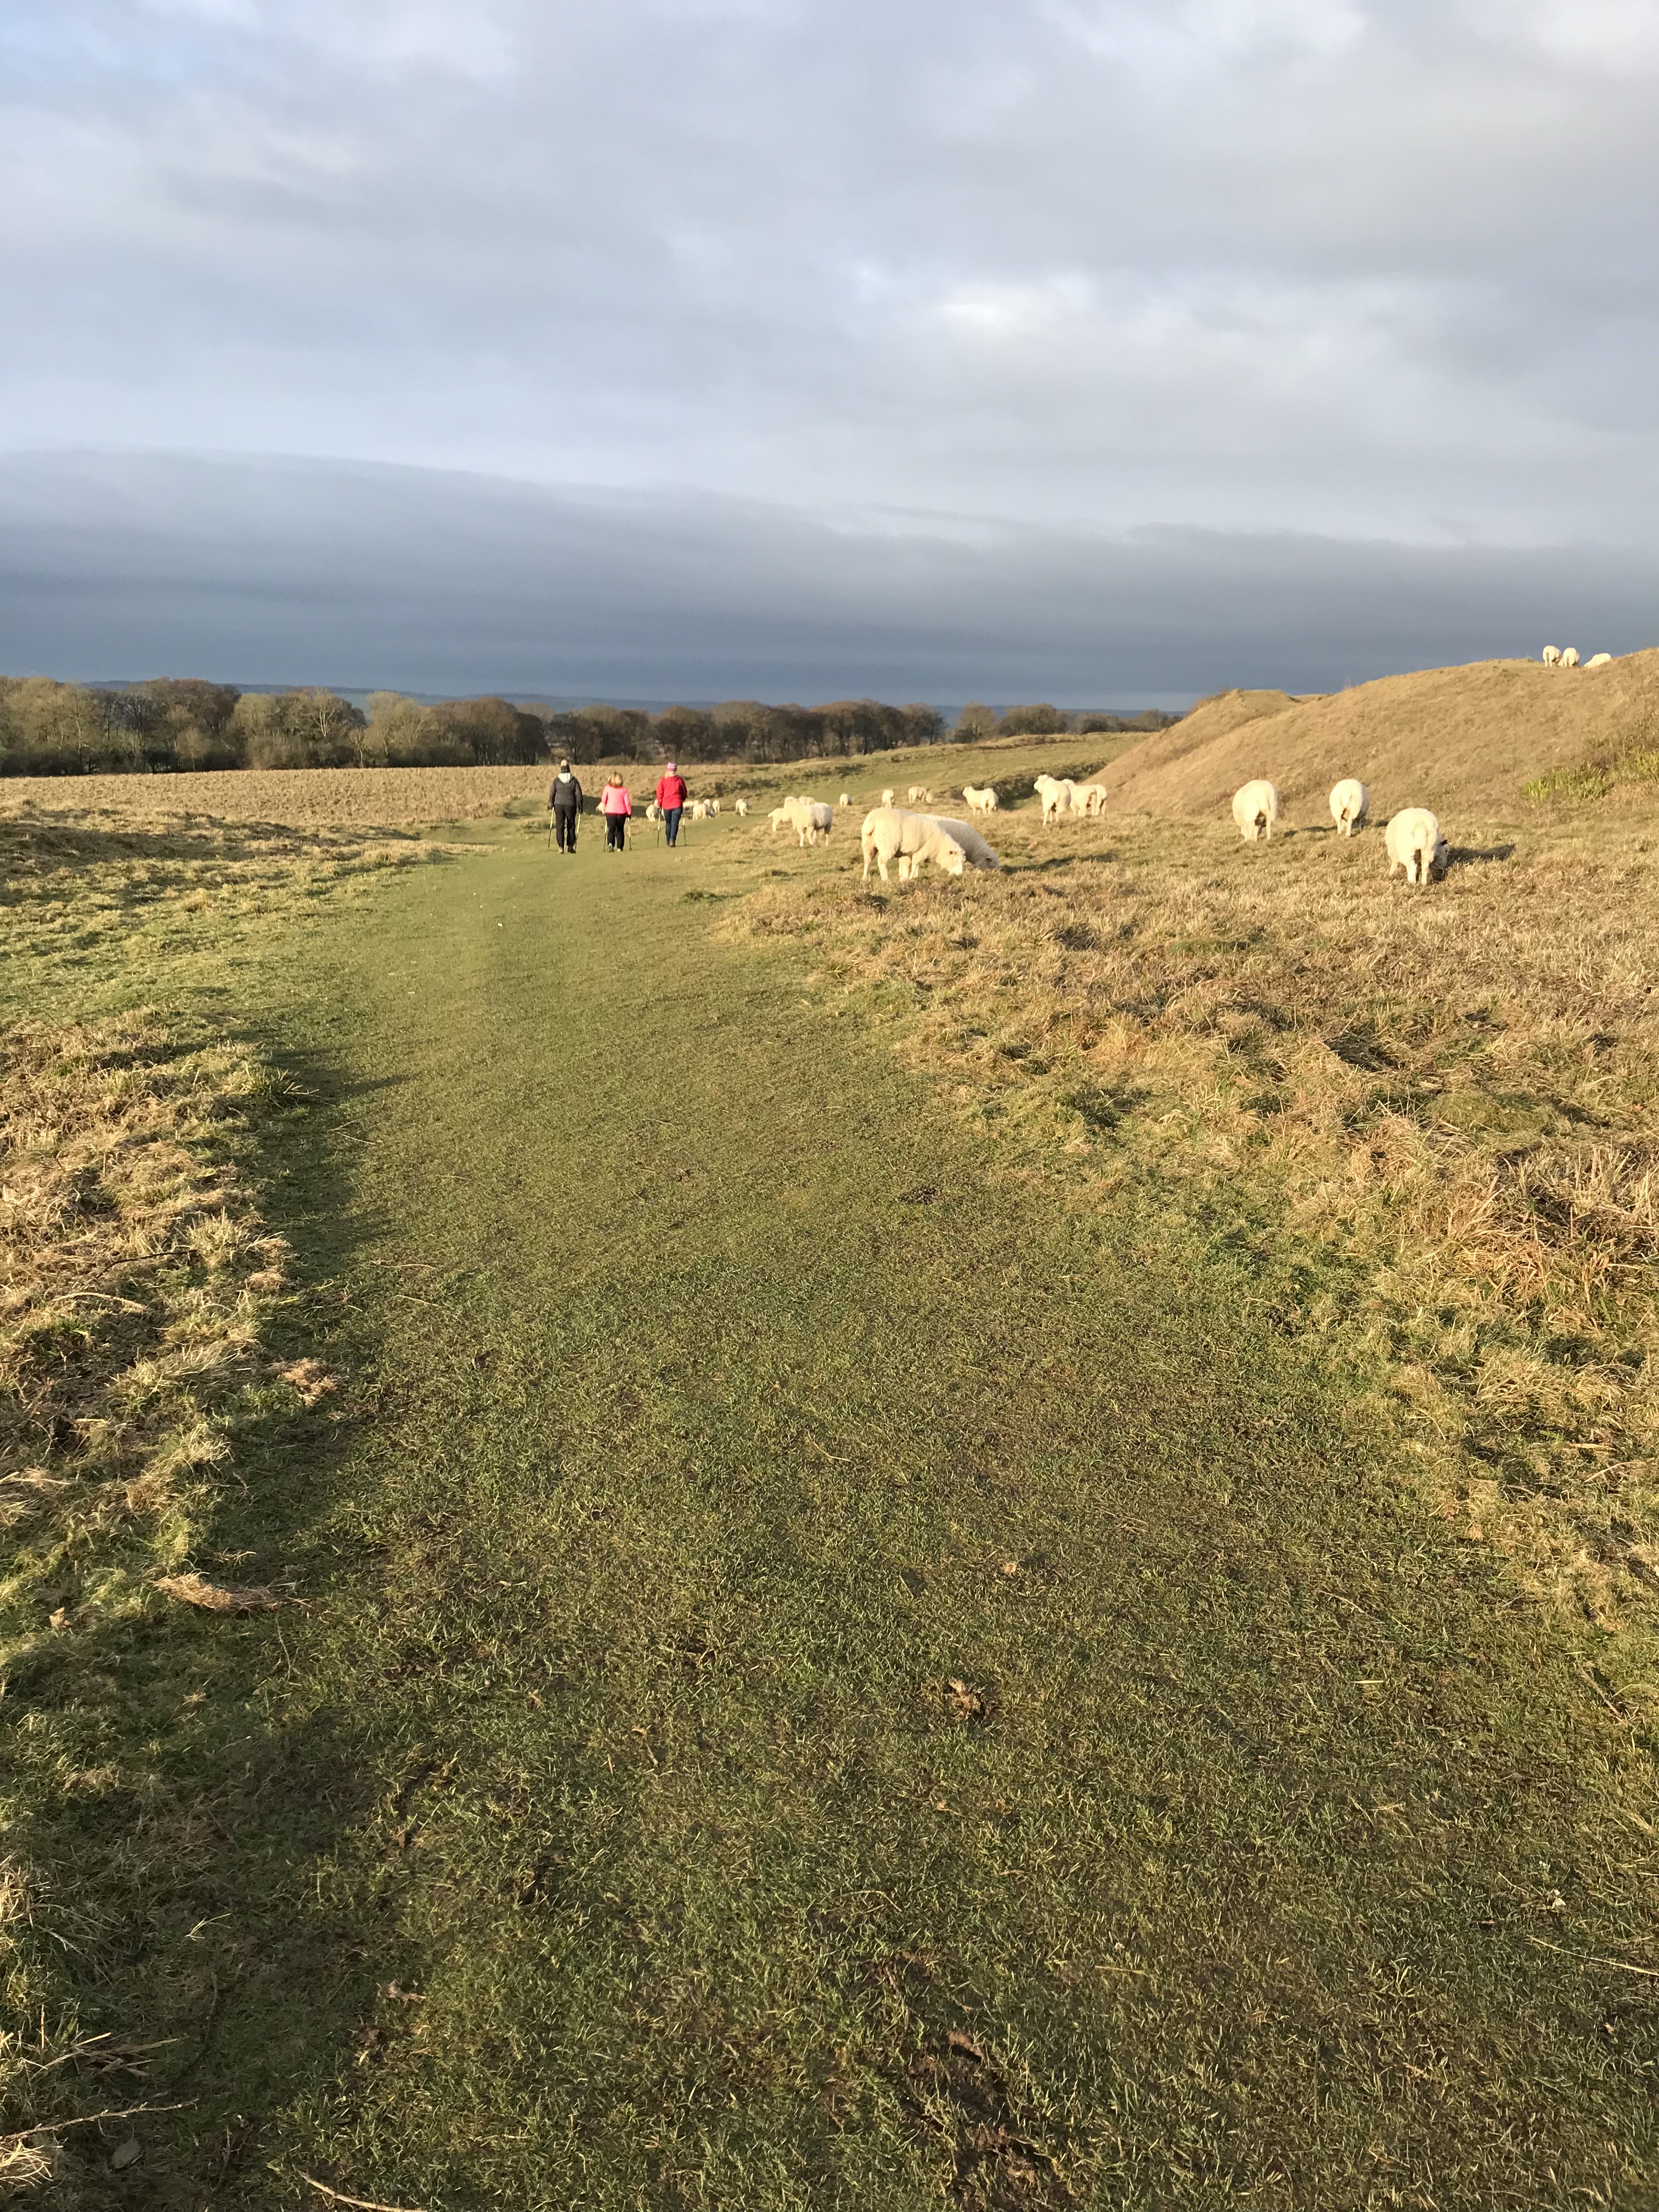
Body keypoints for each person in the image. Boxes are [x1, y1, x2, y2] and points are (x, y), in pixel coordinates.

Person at [548, 758, 583, 854]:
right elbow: (579, 795)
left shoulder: (556, 780)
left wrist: (551, 803)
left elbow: (552, 793)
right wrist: (580, 806)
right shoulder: (574, 780)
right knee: (571, 825)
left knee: (560, 826)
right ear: (569, 768)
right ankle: (571, 846)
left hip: (558, 805)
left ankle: (561, 847)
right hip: (571, 805)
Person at [656, 760, 689, 847]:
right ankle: (672, 840)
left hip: (666, 805)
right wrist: (682, 799)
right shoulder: (680, 780)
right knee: (675, 823)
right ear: (676, 770)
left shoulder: (663, 781)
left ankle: (668, 840)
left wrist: (660, 802)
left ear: (668, 770)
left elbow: (660, 793)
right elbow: (684, 792)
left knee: (668, 823)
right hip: (677, 805)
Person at [598, 770, 633, 852]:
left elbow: (603, 800)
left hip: (610, 812)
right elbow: (627, 803)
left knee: (611, 829)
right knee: (620, 830)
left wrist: (605, 805)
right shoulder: (624, 790)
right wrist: (629, 813)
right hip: (621, 813)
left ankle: (610, 844)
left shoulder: (607, 788)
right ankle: (620, 847)